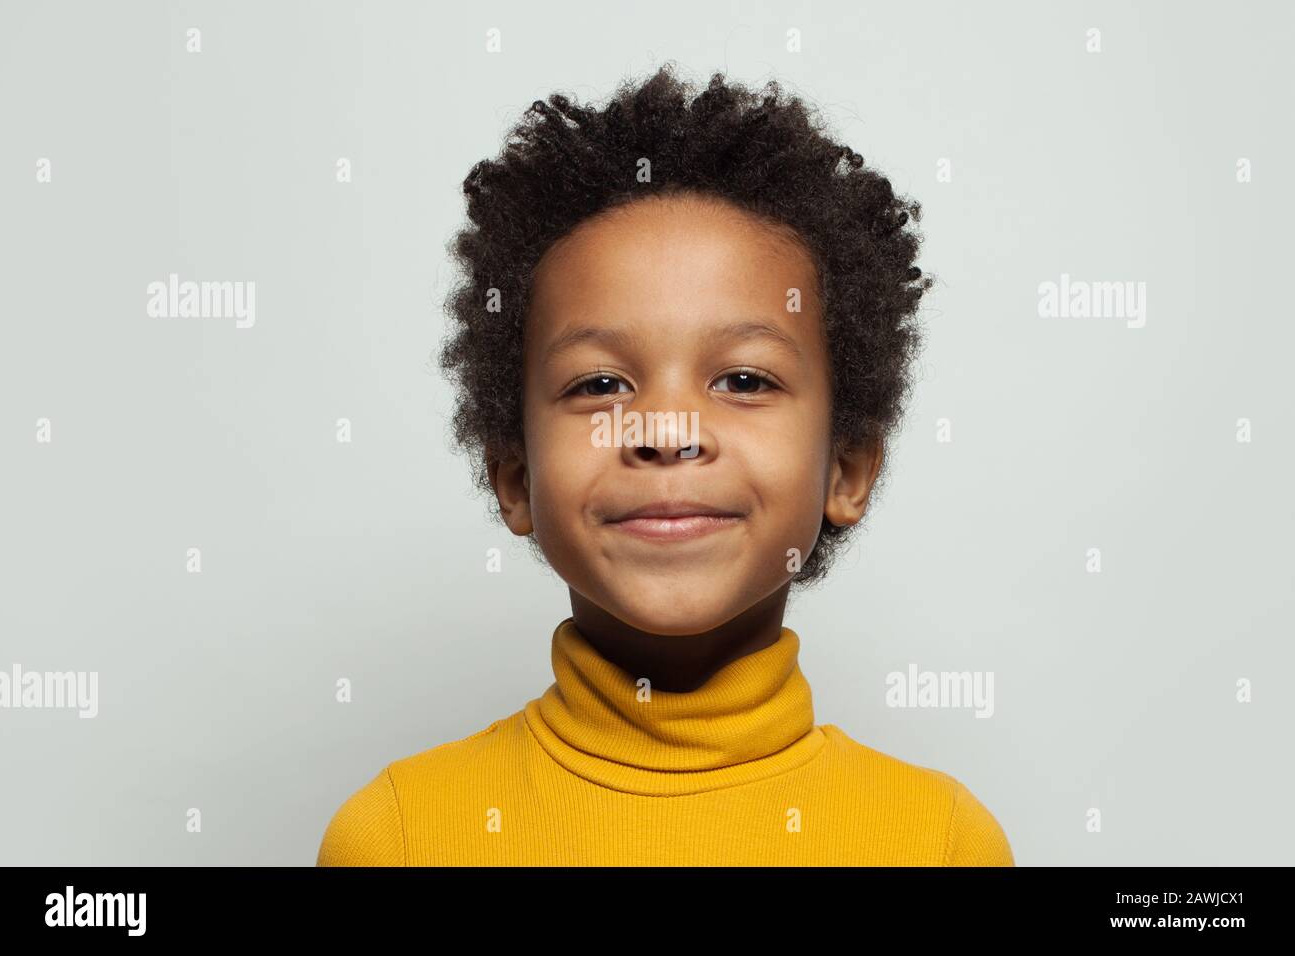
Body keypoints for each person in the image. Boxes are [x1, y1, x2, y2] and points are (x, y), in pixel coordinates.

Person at [317, 63, 1013, 866]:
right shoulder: (398, 837)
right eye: (601, 384)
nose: (668, 428)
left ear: (846, 471)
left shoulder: (940, 842)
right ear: (515, 478)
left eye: (744, 380)